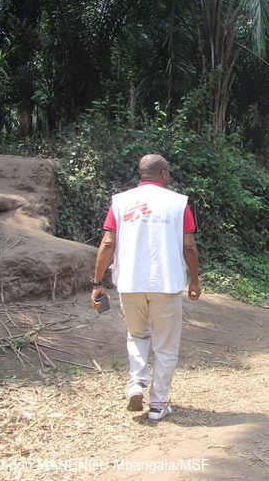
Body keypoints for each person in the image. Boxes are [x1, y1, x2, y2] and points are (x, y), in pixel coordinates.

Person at [90, 154, 201, 421]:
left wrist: (97, 283)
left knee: (137, 335)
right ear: (163, 173)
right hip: (166, 283)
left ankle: (136, 383)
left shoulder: (120, 201)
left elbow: (107, 243)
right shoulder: (178, 203)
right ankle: (157, 405)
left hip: (129, 283)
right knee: (165, 345)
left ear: (142, 174)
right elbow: (188, 246)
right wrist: (195, 279)